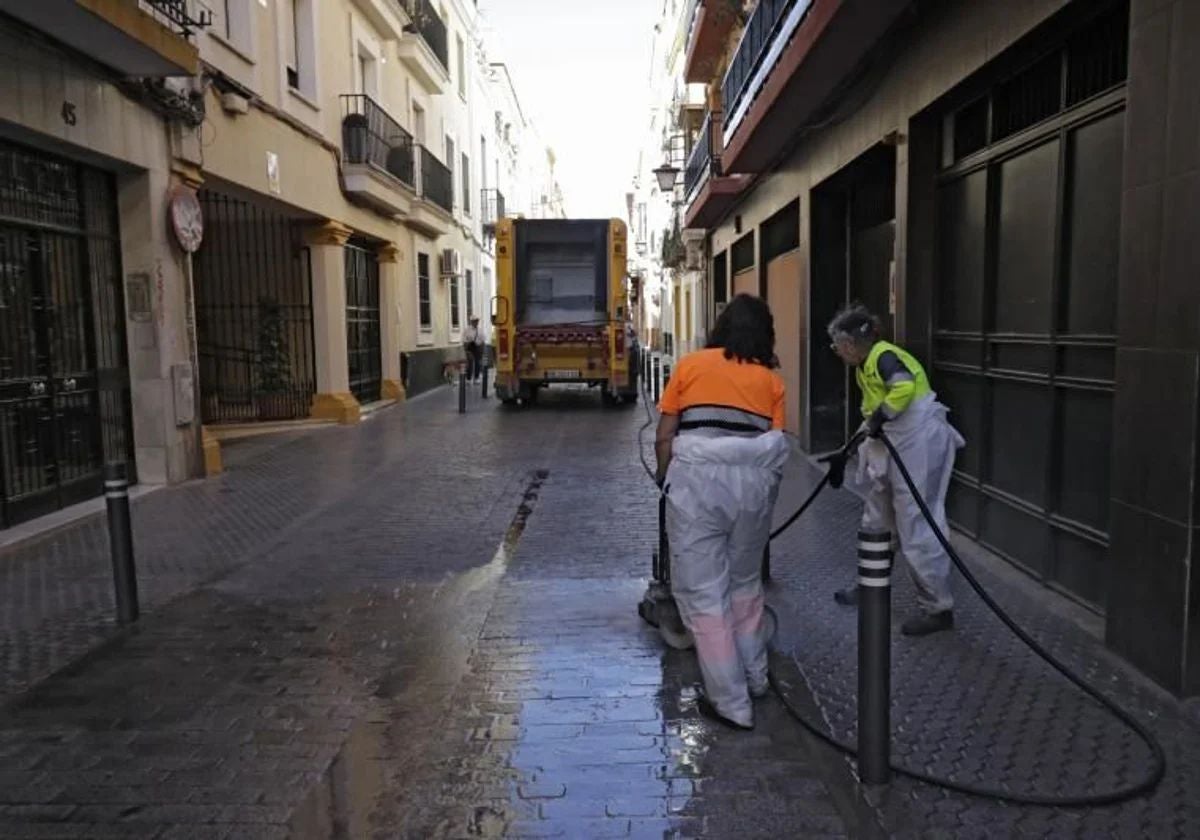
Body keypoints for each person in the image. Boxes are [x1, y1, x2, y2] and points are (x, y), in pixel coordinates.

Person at [655, 294, 791, 731]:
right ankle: (756, 677)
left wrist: (664, 477)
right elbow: (773, 443)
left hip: (696, 482)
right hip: (752, 488)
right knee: (745, 584)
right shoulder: (770, 381)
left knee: (703, 594)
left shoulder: (691, 366)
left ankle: (731, 702)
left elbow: (665, 434)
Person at [825, 305, 965, 637]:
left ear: (849, 343)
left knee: (916, 522)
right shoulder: (866, 366)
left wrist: (879, 418)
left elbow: (901, 388)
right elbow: (872, 413)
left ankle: (938, 608)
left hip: (918, 443)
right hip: (899, 444)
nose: (836, 353)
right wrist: (844, 454)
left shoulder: (884, 356)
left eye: (836, 345)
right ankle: (870, 587)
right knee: (876, 520)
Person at [463, 316, 484, 381]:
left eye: (477, 321)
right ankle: (468, 378)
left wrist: (481, 348)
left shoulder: (480, 330)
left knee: (477, 363)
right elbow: (464, 339)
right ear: (471, 321)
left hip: (477, 347)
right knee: (470, 362)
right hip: (469, 347)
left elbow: (483, 339)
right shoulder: (467, 330)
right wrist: (466, 349)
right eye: (475, 321)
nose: (476, 322)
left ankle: (476, 378)